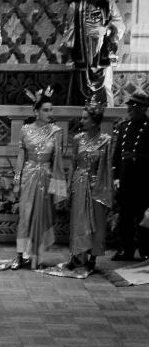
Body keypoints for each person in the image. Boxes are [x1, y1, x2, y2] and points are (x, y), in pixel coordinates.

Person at [10, 87, 68, 269]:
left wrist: (58, 188)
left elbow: (58, 161)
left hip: (47, 177)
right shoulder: (25, 130)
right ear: (36, 111)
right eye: (45, 110)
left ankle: (37, 257)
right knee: (25, 216)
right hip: (28, 175)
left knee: (41, 216)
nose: (49, 113)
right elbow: (21, 156)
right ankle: (20, 255)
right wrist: (17, 181)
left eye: (51, 110)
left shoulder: (56, 132)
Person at [60, 0, 125, 106]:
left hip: (103, 51)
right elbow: (69, 28)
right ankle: (78, 123)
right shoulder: (75, 6)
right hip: (82, 52)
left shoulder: (108, 3)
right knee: (79, 87)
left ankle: (107, 121)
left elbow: (119, 24)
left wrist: (107, 31)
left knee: (106, 86)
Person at [65, 100, 112, 271]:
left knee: (96, 222)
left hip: (97, 186)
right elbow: (72, 163)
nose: (82, 121)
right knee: (78, 220)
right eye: (82, 118)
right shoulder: (78, 139)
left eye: (85, 118)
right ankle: (76, 256)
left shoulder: (106, 140)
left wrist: (105, 189)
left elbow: (107, 168)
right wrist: (70, 184)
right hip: (79, 182)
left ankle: (92, 257)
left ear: (95, 121)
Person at [111, 92, 149, 262]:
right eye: (129, 106)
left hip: (142, 177)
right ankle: (125, 249)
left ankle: (145, 249)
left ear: (143, 109)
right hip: (125, 176)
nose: (130, 110)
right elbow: (117, 153)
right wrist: (116, 176)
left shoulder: (148, 126)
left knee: (142, 216)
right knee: (124, 215)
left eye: (134, 107)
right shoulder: (124, 127)